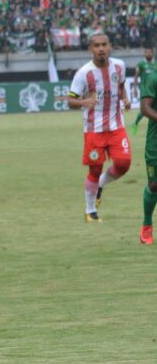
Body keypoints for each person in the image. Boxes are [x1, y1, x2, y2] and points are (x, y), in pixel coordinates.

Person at [66, 33, 131, 223]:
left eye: (104, 44)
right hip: (94, 130)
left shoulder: (119, 66)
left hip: (116, 127)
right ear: (90, 49)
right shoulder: (83, 73)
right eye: (96, 45)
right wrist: (86, 101)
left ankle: (101, 184)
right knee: (94, 170)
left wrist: (125, 98)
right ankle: (90, 211)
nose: (101, 49)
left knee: (123, 163)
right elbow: (70, 101)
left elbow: (120, 86)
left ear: (110, 46)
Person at [137, 66, 157, 244]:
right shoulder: (153, 78)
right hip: (155, 143)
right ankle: (147, 225)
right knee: (154, 184)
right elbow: (145, 108)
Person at [131, 46, 154, 135]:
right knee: (144, 110)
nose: (148, 54)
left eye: (150, 52)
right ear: (144, 54)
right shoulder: (141, 64)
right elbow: (136, 76)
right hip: (145, 91)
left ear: (153, 53)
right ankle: (135, 123)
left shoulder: (155, 65)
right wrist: (135, 89)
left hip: (154, 90)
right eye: (147, 52)